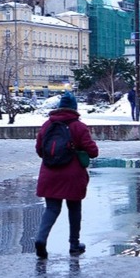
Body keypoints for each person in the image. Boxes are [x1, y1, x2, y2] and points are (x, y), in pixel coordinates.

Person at [33, 92, 99, 258]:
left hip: (50, 173)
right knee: (74, 208)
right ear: (74, 108)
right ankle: (74, 244)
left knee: (52, 208)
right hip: (73, 175)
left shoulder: (47, 125)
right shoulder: (79, 126)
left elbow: (39, 150)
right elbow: (93, 152)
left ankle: (41, 239)